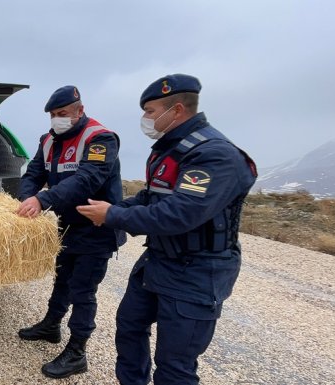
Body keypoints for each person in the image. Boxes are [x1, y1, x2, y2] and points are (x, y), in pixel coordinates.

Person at [76, 74, 257, 385]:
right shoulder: (170, 149)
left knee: (174, 365)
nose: (146, 119)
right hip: (159, 262)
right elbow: (152, 196)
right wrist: (113, 209)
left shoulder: (214, 154)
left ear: (176, 110)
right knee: (130, 327)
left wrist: (113, 216)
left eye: (150, 111)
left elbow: (180, 215)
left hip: (197, 271)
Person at [16, 85, 126, 379]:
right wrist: (26, 197)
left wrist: (42, 200)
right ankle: (51, 325)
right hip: (66, 226)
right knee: (62, 277)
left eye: (62, 113)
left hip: (96, 227)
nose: (56, 119)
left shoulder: (100, 138)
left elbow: (87, 180)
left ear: (80, 109)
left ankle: (77, 351)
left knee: (83, 289)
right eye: (52, 115)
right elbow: (34, 173)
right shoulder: (48, 140)